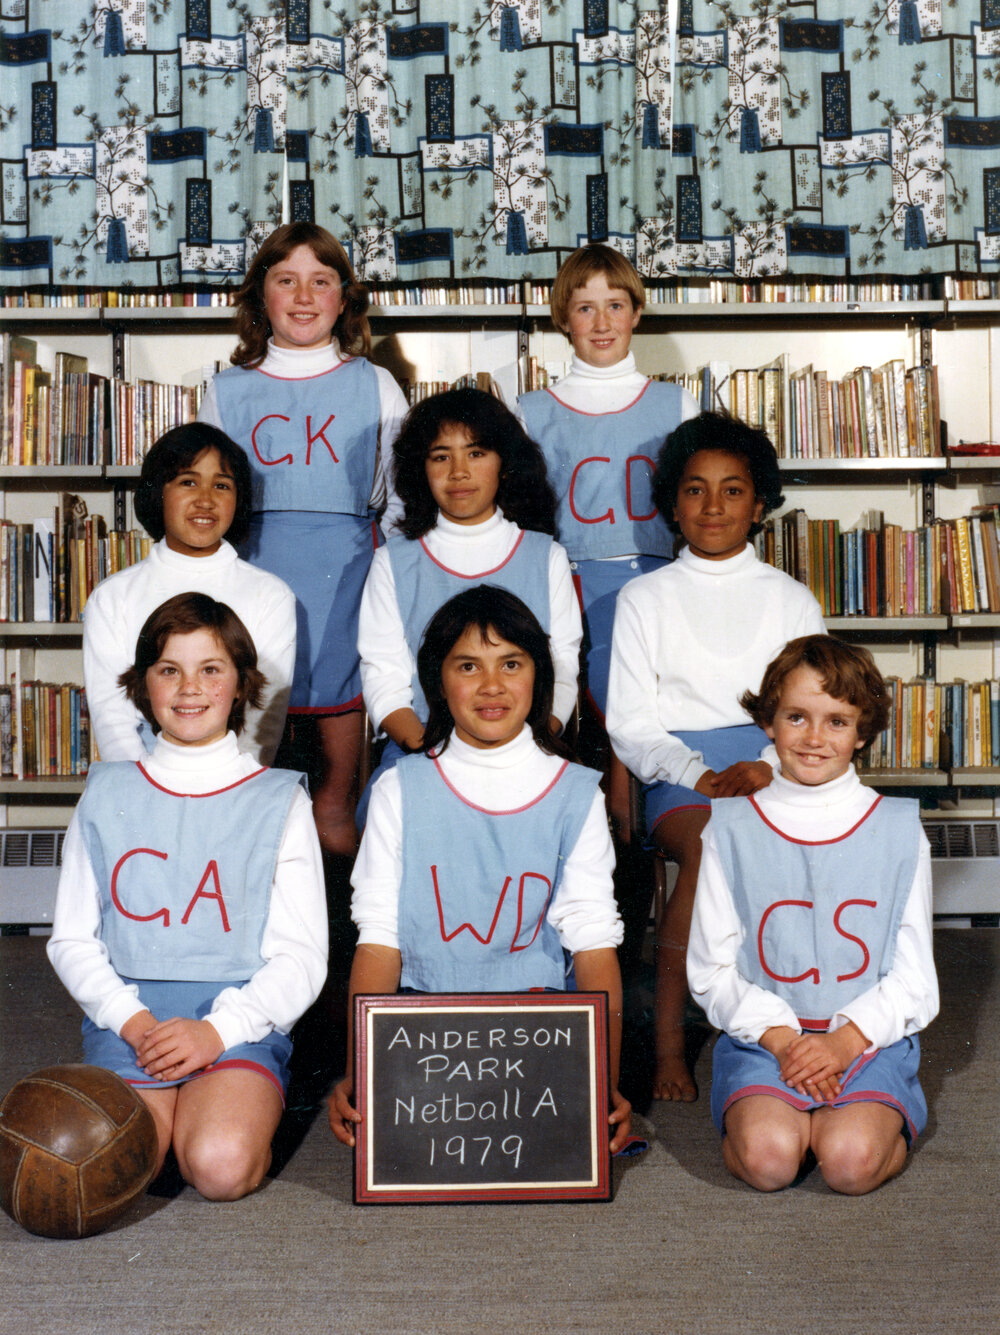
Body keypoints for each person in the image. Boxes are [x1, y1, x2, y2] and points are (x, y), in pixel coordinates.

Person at [329, 586, 631, 1154]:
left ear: (537, 677)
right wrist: (360, 1072)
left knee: (543, 1153)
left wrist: (603, 1084)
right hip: (423, 1027)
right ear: (437, 681)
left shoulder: (575, 793)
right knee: (415, 1156)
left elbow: (593, 944)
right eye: (468, 665)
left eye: (511, 664)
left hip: (535, 1026)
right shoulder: (399, 788)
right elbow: (378, 941)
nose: (492, 686)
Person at [48, 593, 328, 1200]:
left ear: (240, 685)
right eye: (169, 669)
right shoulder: (105, 793)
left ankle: (213, 1113)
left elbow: (303, 958)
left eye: (210, 669)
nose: (188, 688)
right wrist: (134, 1021)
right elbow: (71, 939)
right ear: (143, 684)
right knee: (114, 1171)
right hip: (133, 1024)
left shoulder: (279, 800)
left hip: (237, 1018)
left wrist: (217, 1033)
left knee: (220, 1168)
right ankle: (168, 1117)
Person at [606, 411, 826, 1102]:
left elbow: (812, 705)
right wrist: (697, 773)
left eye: (732, 490)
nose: (713, 506)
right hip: (679, 770)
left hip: (776, 761)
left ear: (759, 503)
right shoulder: (644, 598)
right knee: (707, 844)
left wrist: (770, 761)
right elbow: (632, 722)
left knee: (810, 838)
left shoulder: (791, 599)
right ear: (672, 501)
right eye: (695, 489)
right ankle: (671, 1042)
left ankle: (799, 1025)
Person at [687, 635, 938, 1194]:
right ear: (769, 724)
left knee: (849, 1165)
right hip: (767, 1039)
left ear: (863, 732)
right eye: (797, 717)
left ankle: (849, 1124)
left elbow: (915, 979)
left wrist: (843, 1044)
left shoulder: (898, 829)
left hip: (864, 1041)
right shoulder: (730, 826)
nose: (814, 739)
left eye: (837, 722)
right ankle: (785, 1122)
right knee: (770, 1163)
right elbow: (710, 969)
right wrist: (782, 1040)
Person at [198, 221, 408, 857]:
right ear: (261, 296)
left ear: (343, 299)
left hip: (346, 597)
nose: (303, 295)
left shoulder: (374, 384)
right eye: (285, 280)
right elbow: (204, 504)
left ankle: (344, 951)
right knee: (249, 795)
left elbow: (399, 505)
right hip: (251, 595)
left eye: (320, 281)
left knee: (334, 804)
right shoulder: (226, 390)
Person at [356, 387, 582, 822]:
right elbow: (383, 677)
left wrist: (524, 752)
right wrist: (436, 755)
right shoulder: (394, 562)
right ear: (421, 469)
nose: (459, 472)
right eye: (441, 456)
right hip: (424, 752)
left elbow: (562, 668)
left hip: (524, 754)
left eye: (476, 454)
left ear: (505, 463)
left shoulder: (544, 556)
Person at [517, 242, 699, 722]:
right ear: (563, 319)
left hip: (653, 579)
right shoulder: (530, 411)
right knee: (562, 712)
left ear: (636, 313)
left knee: (639, 712)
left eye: (615, 306)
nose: (602, 324)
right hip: (561, 581)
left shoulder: (676, 405)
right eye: (585, 309)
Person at [83, 422, 295, 766]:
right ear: (158, 492)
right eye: (188, 482)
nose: (206, 500)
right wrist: (146, 789)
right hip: (143, 780)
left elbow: (263, 718)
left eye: (222, 485)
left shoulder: (270, 595)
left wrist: (236, 789)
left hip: (236, 779)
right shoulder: (113, 597)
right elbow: (113, 720)